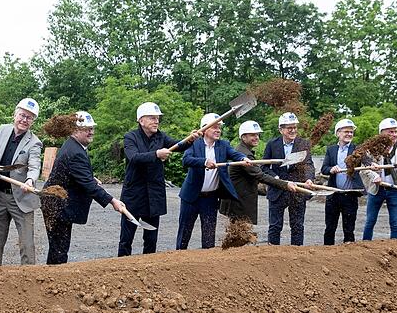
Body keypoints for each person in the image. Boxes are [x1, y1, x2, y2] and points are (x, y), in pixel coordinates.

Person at [43, 111, 125, 264]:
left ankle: (54, 276)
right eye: (87, 129)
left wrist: (88, 177)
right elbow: (88, 185)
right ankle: (54, 281)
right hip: (57, 205)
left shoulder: (73, 146)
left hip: (56, 203)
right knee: (59, 249)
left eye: (92, 128)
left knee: (58, 248)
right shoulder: (75, 152)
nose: (91, 131)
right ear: (75, 130)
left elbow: (73, 173)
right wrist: (112, 201)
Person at [119, 102, 199, 256]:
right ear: (141, 120)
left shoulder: (161, 136)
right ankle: (122, 268)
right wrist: (156, 154)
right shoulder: (131, 137)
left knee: (151, 238)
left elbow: (178, 145)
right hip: (134, 195)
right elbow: (134, 157)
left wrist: (190, 139)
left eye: (157, 118)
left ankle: (149, 267)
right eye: (152, 118)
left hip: (153, 196)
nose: (156, 121)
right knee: (126, 238)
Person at [0, 98, 43, 265]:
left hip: (21, 198)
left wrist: (30, 180)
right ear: (15, 114)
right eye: (22, 115)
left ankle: (29, 279)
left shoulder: (34, 142)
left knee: (27, 244)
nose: (24, 120)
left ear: (33, 121)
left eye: (29, 118)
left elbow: (35, 166)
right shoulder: (2, 130)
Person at [176, 113, 249, 250]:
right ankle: (178, 259)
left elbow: (235, 154)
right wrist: (204, 162)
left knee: (209, 236)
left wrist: (243, 159)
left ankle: (207, 263)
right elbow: (186, 160)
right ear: (204, 129)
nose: (218, 130)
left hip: (210, 198)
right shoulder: (194, 143)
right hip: (191, 196)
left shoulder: (223, 145)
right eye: (214, 127)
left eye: (219, 128)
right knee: (184, 233)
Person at [225, 120, 298, 225]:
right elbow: (260, 176)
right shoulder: (244, 154)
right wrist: (285, 184)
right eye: (252, 135)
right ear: (243, 137)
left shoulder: (243, 150)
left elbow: (256, 171)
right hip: (239, 200)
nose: (256, 138)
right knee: (240, 232)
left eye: (257, 135)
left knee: (239, 232)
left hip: (238, 198)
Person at [262, 112, 315, 246]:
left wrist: (309, 179)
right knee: (275, 226)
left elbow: (308, 164)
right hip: (277, 191)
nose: (293, 130)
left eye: (295, 127)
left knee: (297, 226)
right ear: (281, 129)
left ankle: (296, 257)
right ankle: (273, 254)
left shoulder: (304, 144)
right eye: (289, 128)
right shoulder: (272, 145)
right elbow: (264, 167)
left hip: (297, 191)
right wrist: (277, 179)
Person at [360, 118, 397, 240]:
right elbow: (365, 167)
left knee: (395, 223)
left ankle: (395, 246)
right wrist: (374, 176)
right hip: (377, 189)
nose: (394, 134)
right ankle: (365, 246)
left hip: (395, 189)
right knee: (370, 221)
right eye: (390, 132)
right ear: (382, 133)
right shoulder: (372, 147)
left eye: (395, 131)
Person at [321, 118, 364, 245]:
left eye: (351, 132)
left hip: (350, 195)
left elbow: (366, 162)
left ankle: (349, 256)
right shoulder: (331, 150)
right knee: (330, 228)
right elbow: (324, 169)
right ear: (338, 133)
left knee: (349, 229)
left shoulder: (357, 150)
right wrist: (331, 169)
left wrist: (372, 165)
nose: (349, 134)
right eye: (346, 131)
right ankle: (327, 252)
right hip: (333, 194)